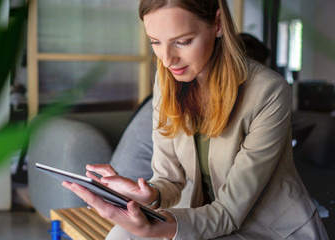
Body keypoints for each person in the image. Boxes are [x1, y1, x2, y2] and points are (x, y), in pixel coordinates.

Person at [62, 0, 329, 239]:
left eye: (183, 41)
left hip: (263, 227)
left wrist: (160, 227)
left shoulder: (269, 92)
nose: (167, 60)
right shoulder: (167, 81)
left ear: (218, 24)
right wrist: (149, 193)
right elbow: (169, 179)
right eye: (155, 42)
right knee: (122, 234)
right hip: (202, 216)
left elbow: (229, 213)